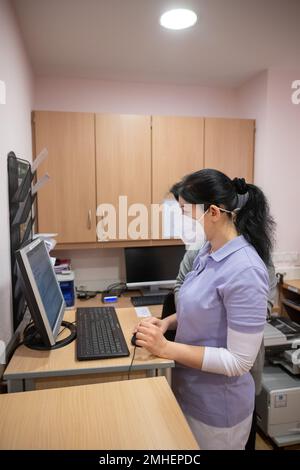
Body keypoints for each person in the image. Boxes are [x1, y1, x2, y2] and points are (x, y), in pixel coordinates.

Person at [134, 168, 275, 450]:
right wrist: (167, 324)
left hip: (217, 412)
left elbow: (238, 362)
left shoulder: (245, 270)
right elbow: (201, 309)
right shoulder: (207, 252)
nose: (182, 220)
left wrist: (165, 348)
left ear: (213, 212)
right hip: (188, 391)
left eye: (185, 211)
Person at [174, 245, 277, 450]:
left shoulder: (249, 266)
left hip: (226, 391)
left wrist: (167, 347)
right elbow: (182, 289)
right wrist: (187, 314)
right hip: (193, 383)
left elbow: (238, 359)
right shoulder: (201, 254)